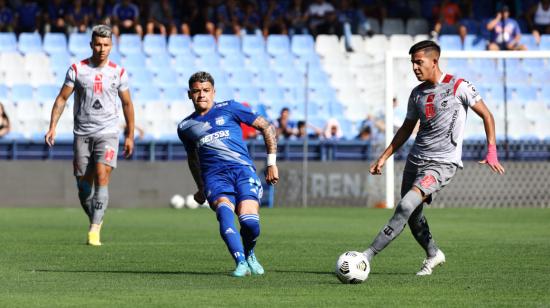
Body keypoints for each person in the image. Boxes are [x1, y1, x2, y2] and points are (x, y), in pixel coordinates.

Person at [363, 40, 505, 276]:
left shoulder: (459, 86)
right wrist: (384, 157)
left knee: (405, 205)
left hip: (441, 164)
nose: (415, 68)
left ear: (434, 61)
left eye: (419, 62)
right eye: (412, 63)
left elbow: (487, 116)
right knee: (412, 215)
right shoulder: (416, 94)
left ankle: (366, 257)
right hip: (415, 160)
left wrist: (491, 151)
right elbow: (406, 129)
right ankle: (433, 254)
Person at [177, 71, 279, 277]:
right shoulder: (185, 127)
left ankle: (249, 253)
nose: (201, 95)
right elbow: (193, 159)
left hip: (242, 171)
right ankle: (240, 262)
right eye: (196, 91)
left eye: (206, 90)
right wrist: (200, 186)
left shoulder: (230, 108)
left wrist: (271, 163)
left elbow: (266, 127)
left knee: (249, 222)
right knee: (224, 214)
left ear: (214, 92)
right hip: (215, 178)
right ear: (189, 94)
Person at [44, 25, 135, 246]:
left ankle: (94, 230)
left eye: (106, 45)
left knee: (102, 176)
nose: (101, 49)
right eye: (98, 44)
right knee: (84, 187)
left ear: (111, 46)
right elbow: (62, 99)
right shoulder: (77, 69)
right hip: (82, 133)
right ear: (91, 45)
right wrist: (52, 126)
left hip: (108, 133)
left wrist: (130, 135)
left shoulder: (118, 72)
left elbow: (127, 103)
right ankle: (95, 217)